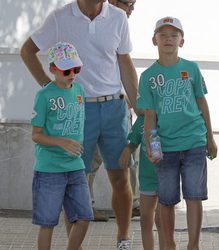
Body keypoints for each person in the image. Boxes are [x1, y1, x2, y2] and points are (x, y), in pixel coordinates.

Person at [20, 1, 140, 249]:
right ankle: (76, 246)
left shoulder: (118, 17)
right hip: (76, 110)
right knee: (76, 179)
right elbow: (27, 51)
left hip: (114, 108)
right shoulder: (60, 17)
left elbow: (125, 61)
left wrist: (141, 108)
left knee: (121, 176)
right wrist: (48, 87)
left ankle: (123, 239)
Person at [137, 17, 218, 250]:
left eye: (174, 35)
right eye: (163, 35)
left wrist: (210, 137)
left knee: (194, 196)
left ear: (182, 41)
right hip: (166, 147)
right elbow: (150, 116)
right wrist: (152, 145)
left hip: (194, 142)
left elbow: (202, 103)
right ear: (154, 40)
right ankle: (168, 244)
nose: (168, 39)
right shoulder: (148, 76)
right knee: (167, 200)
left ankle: (193, 244)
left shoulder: (191, 68)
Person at [30, 42, 93, 250]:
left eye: (76, 69)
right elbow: (36, 135)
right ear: (52, 69)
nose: (72, 74)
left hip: (75, 167)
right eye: (66, 70)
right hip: (49, 170)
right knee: (47, 223)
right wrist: (60, 142)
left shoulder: (80, 90)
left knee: (84, 217)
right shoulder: (44, 96)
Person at [88, 0, 140, 222]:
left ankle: (132, 209)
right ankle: (87, 206)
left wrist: (133, 100)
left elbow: (123, 66)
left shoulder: (119, 24)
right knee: (91, 162)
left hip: (118, 107)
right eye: (128, 3)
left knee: (125, 160)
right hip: (94, 108)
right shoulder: (94, 23)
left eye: (134, 4)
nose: (131, 9)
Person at [119, 115, 164, 250]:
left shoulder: (168, 116)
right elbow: (133, 142)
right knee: (145, 220)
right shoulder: (142, 120)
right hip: (147, 177)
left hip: (167, 176)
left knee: (162, 220)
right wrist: (127, 150)